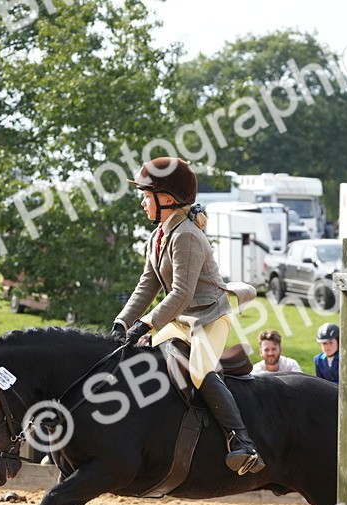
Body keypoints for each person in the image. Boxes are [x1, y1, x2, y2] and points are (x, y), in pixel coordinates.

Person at [110, 156, 264, 474]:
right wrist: (122, 322)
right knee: (142, 360)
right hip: (181, 320)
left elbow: (180, 293)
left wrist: (145, 324)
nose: (142, 202)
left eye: (145, 195)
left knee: (198, 370)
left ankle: (243, 443)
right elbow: (146, 286)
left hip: (210, 316)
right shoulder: (158, 238)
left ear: (165, 199)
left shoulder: (187, 237)